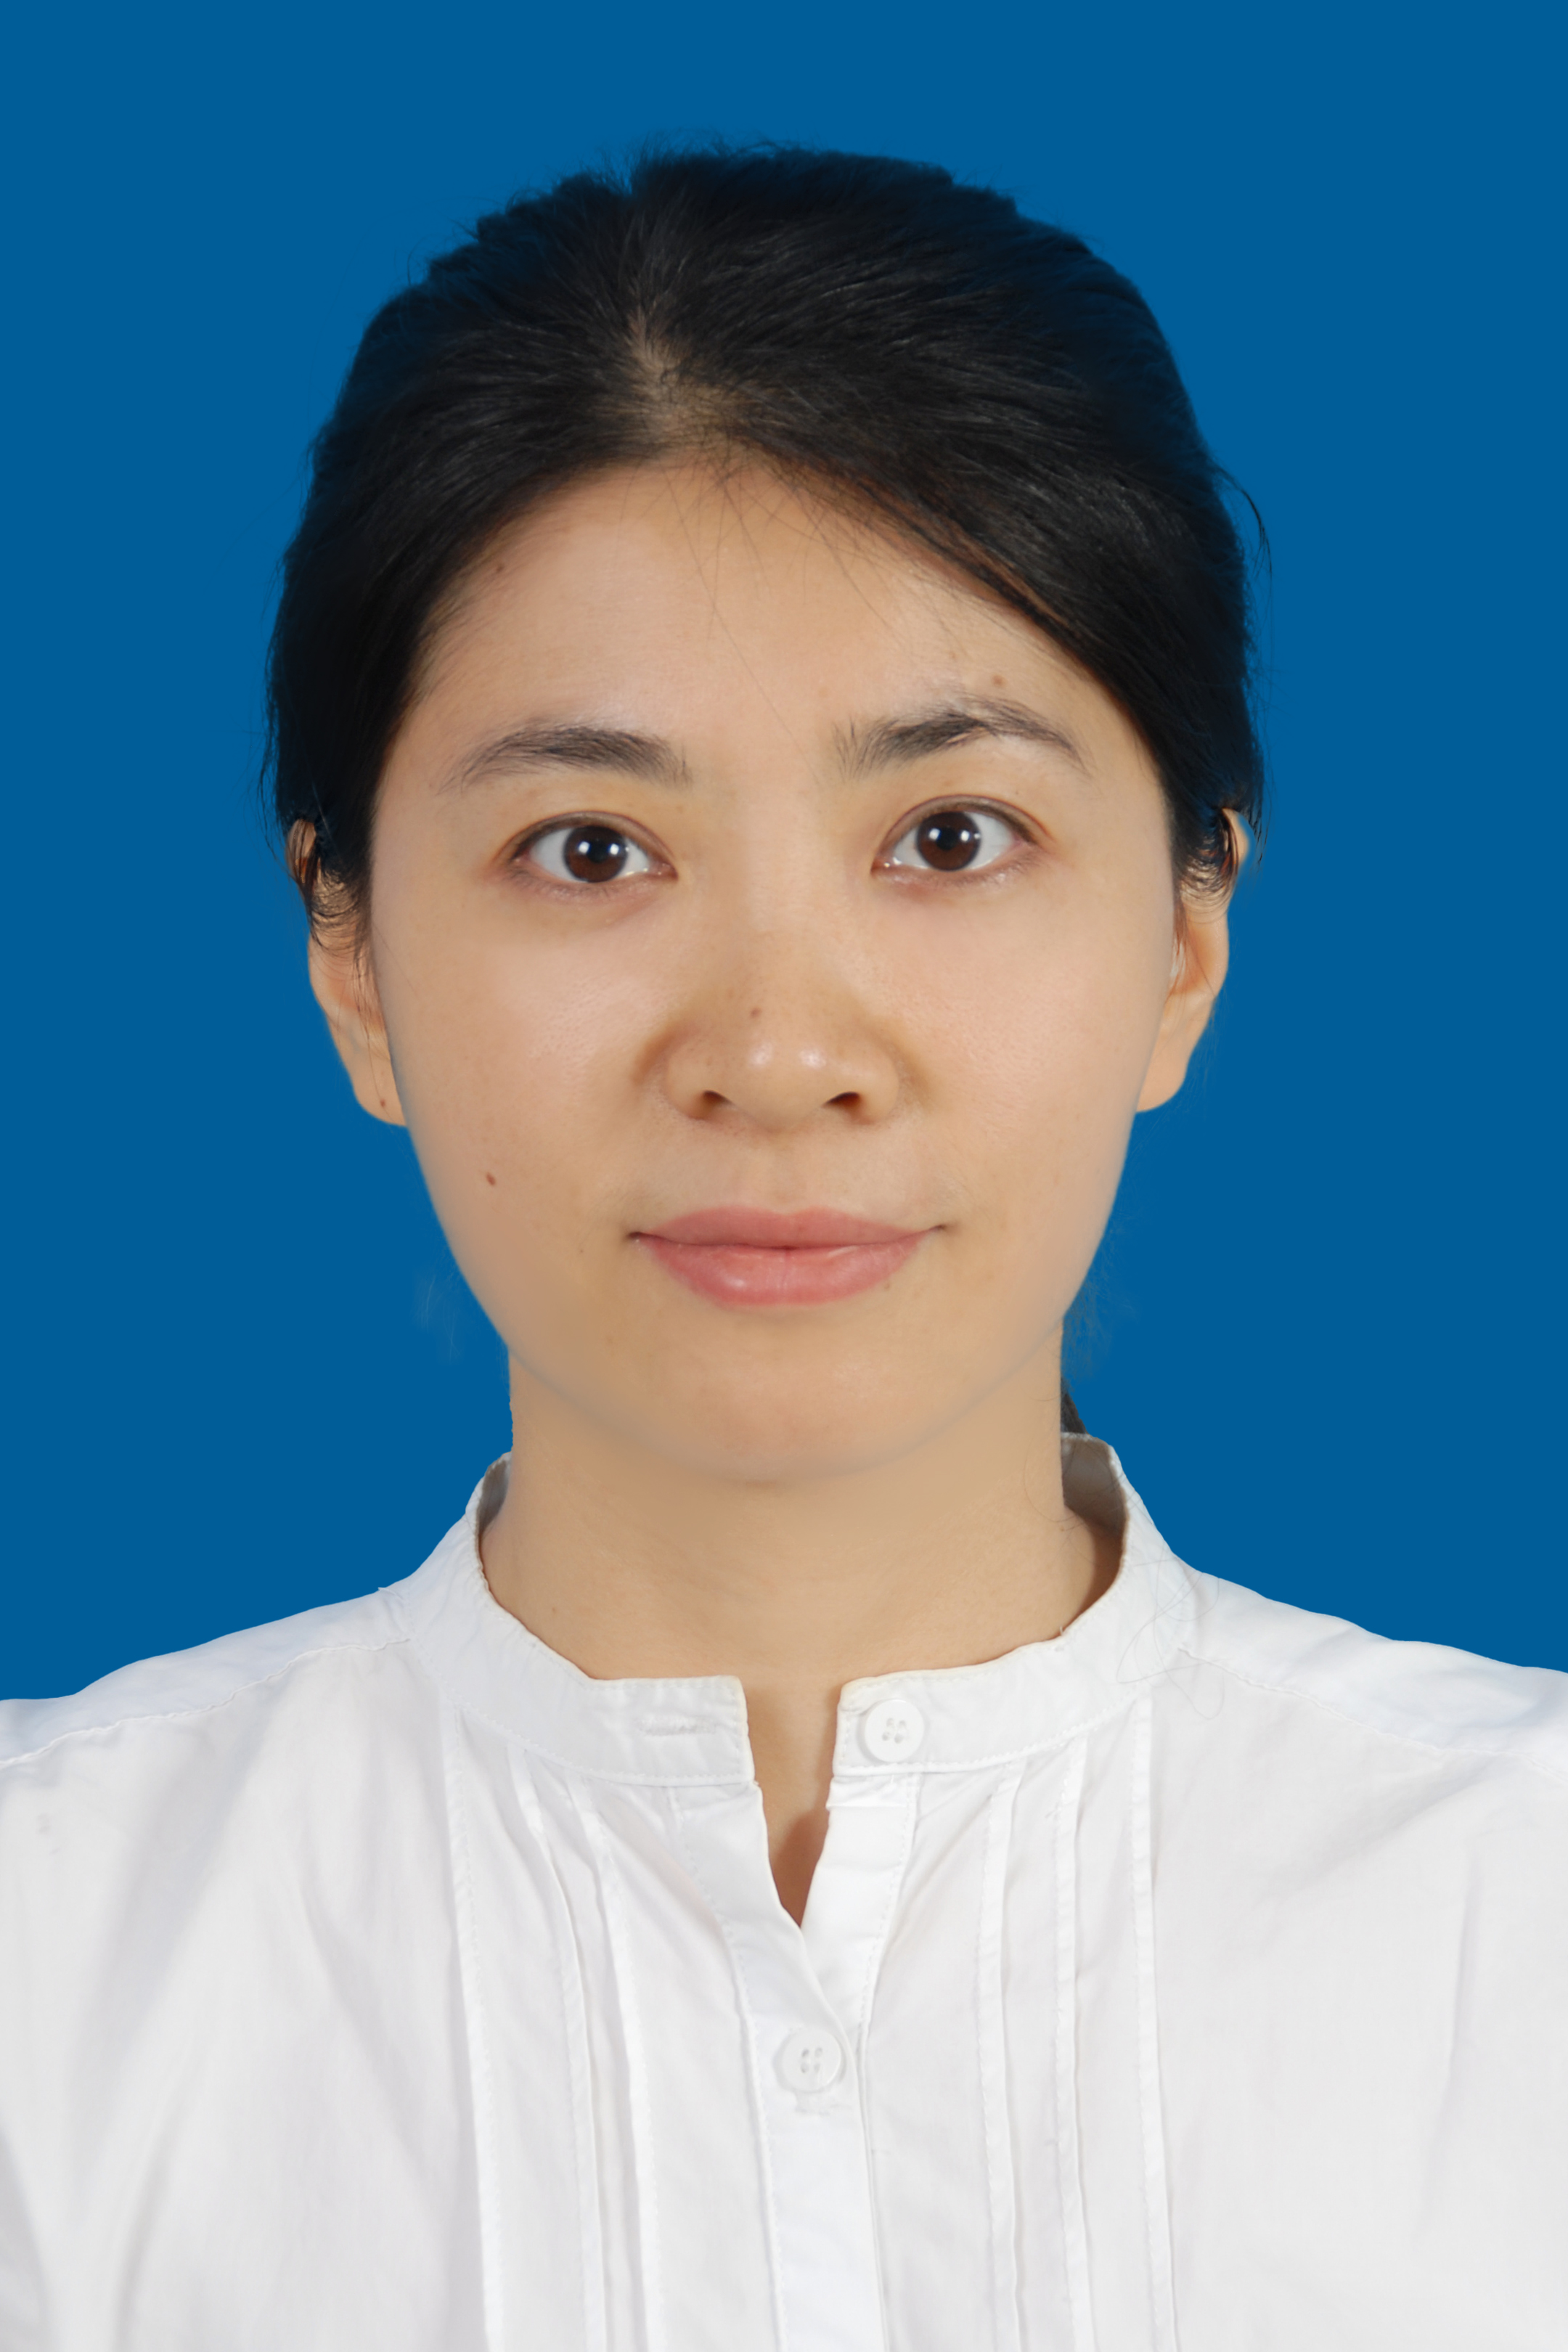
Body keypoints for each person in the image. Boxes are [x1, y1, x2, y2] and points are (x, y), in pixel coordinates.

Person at [1, 143, 1563, 2352]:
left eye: (951, 835)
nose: (775, 1051)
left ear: (1189, 932)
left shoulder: (1525, 1924)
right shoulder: (48, 1966)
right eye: (590, 848)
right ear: (349, 955)